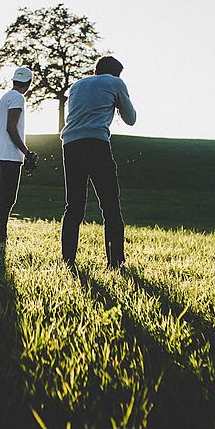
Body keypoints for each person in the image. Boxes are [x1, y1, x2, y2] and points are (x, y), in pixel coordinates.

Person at [60, 55, 136, 269]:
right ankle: (116, 262)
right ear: (116, 73)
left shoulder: (75, 86)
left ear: (96, 70)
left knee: (74, 205)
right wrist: (119, 104)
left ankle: (68, 261)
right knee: (110, 205)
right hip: (96, 143)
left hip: (70, 144)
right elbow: (131, 119)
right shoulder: (115, 82)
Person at [0, 67, 36, 245]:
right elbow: (11, 127)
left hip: (0, 152)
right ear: (29, 83)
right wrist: (26, 153)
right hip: (10, 154)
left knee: (3, 195)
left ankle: (0, 236)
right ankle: (1, 238)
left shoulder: (6, 97)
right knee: (8, 197)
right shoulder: (18, 98)